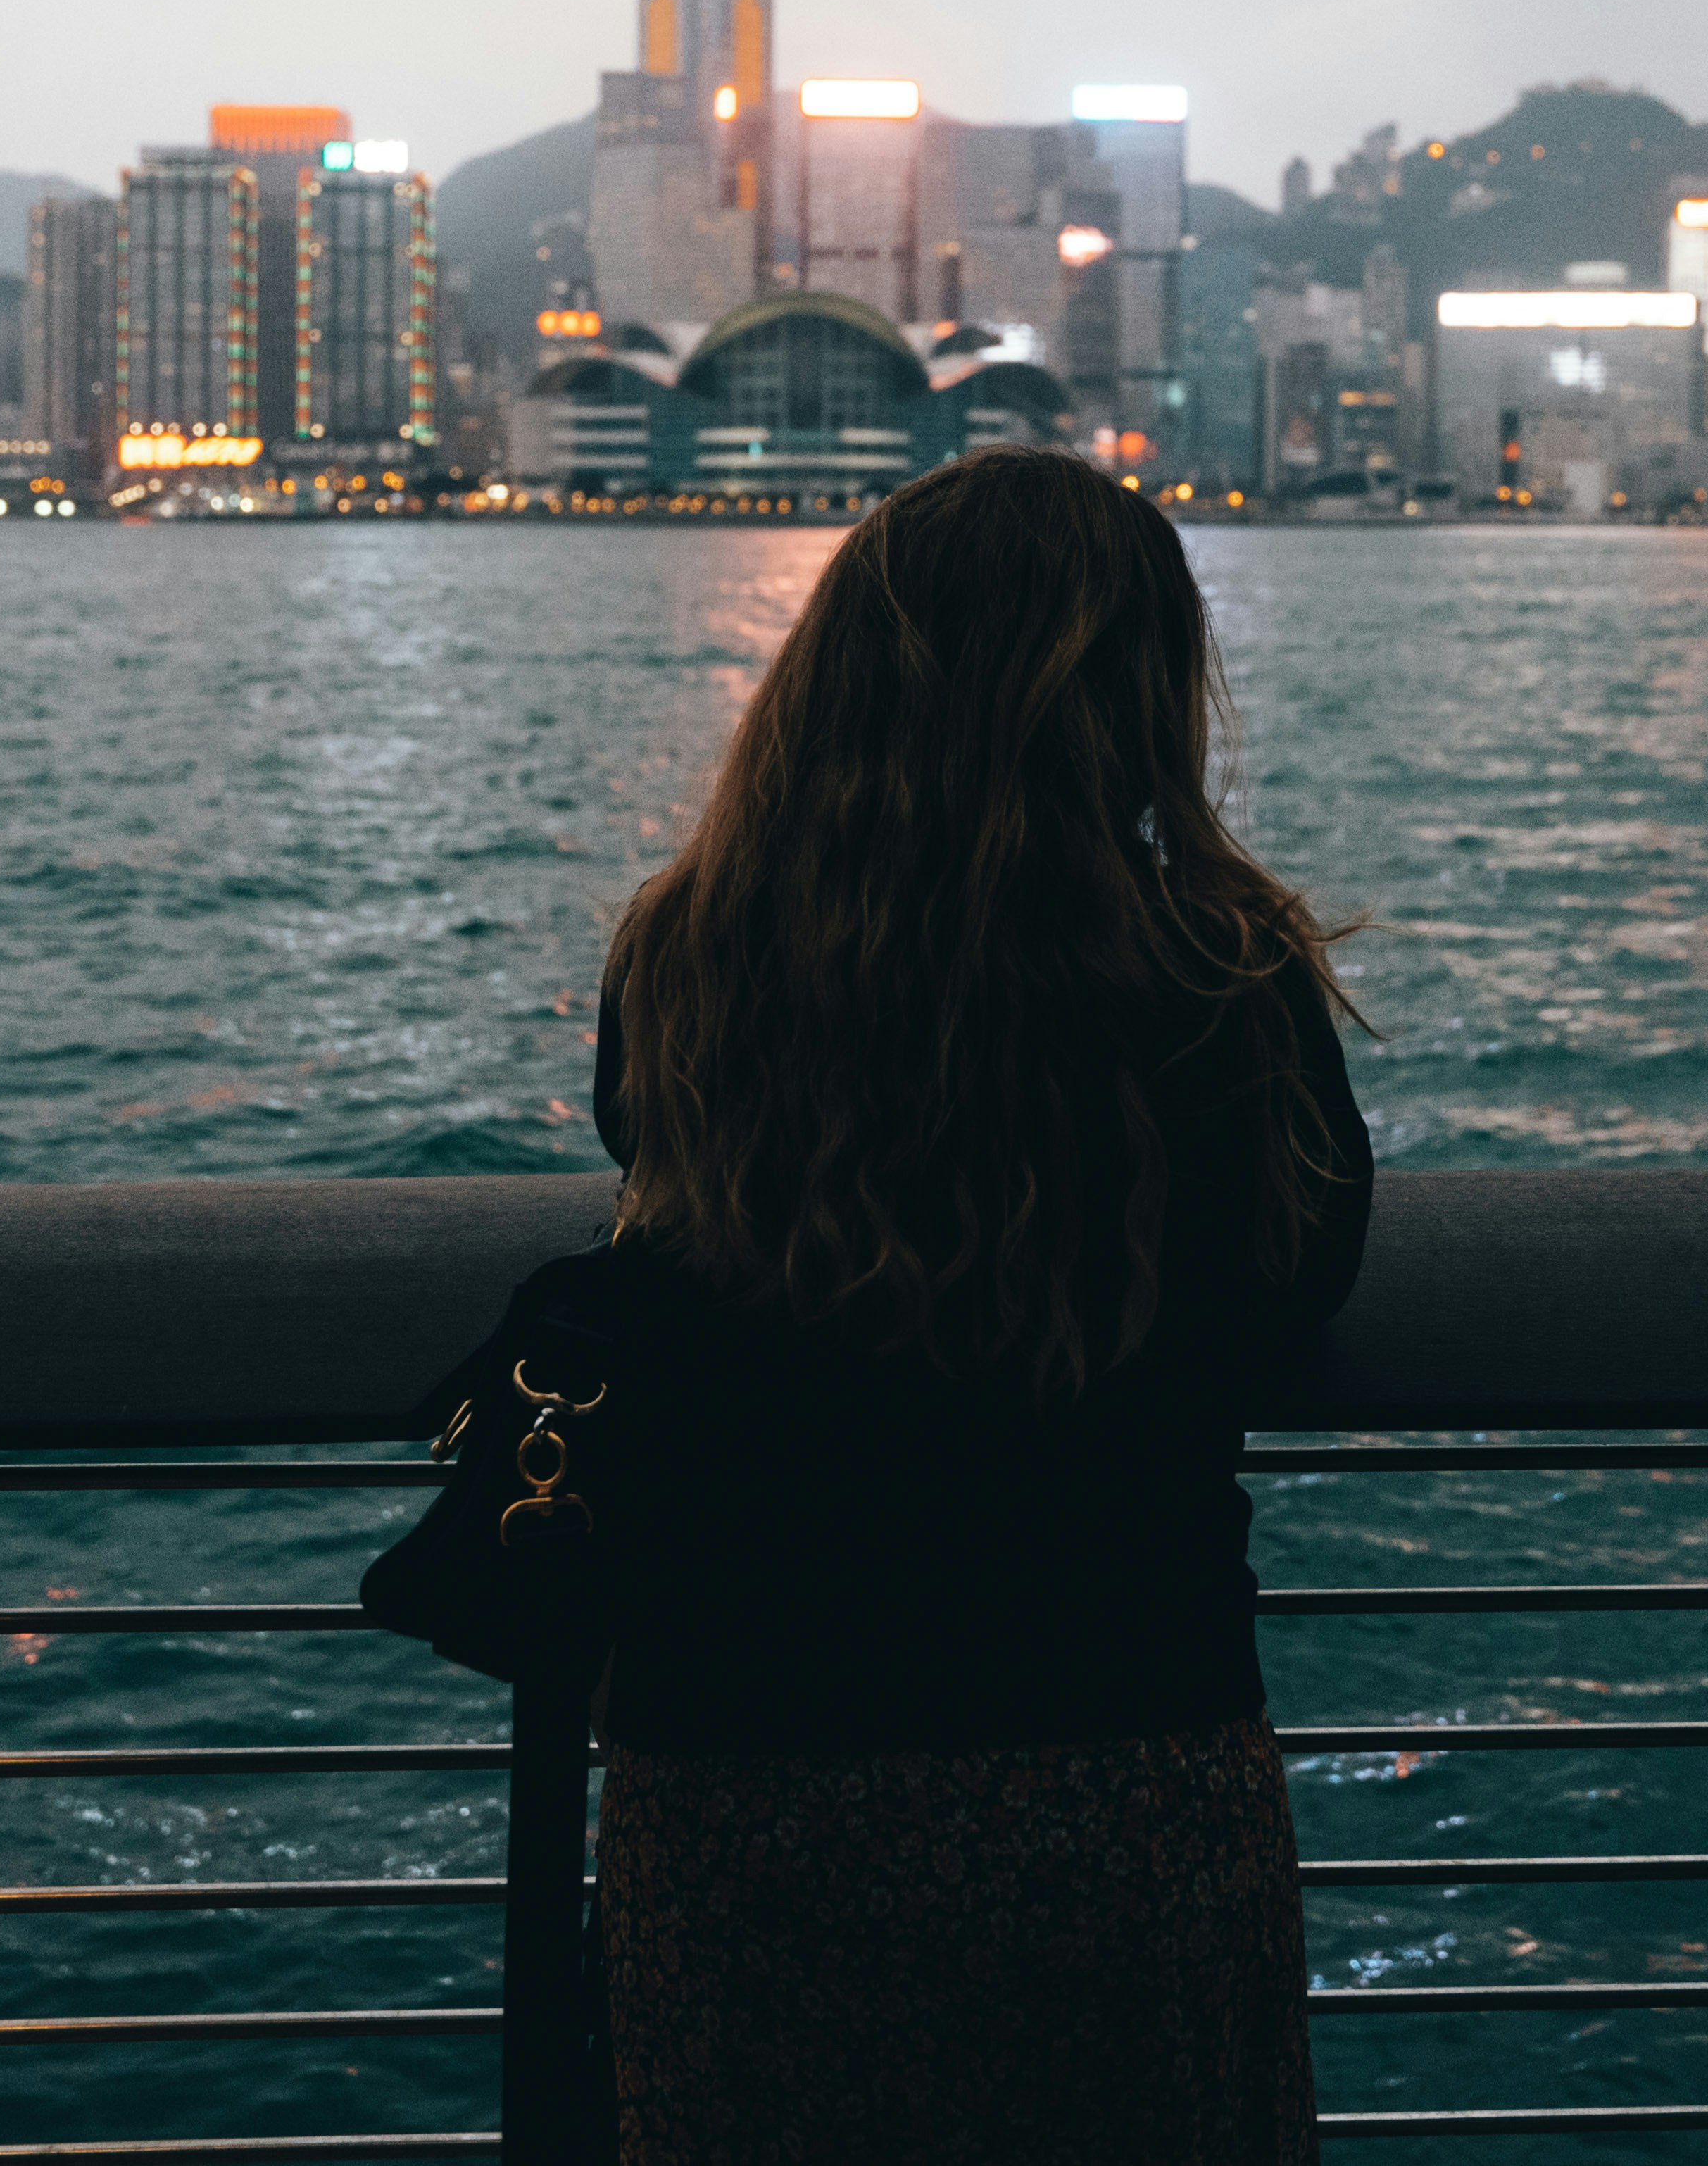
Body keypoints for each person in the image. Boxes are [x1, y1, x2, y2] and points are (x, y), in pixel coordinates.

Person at [580, 446, 1373, 2166]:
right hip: (1114, 1739)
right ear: (1139, 695)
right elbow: (1298, 1272)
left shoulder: (687, 955)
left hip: (738, 1756)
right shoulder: (1216, 982)